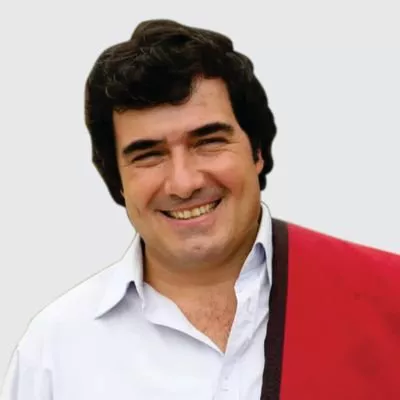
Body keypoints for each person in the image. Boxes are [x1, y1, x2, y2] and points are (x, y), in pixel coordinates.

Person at [1, 19, 399, 400]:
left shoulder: (388, 299)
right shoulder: (54, 350)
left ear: (257, 151)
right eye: (148, 155)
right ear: (117, 180)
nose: (184, 183)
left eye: (208, 142)